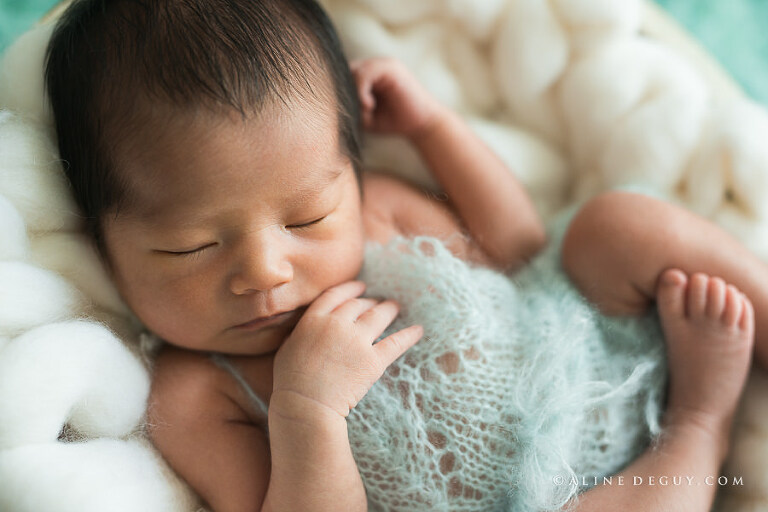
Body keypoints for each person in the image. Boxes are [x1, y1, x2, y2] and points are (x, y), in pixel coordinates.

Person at [44, 0, 760, 510]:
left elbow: (519, 251)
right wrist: (307, 412)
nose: (265, 270)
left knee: (618, 224)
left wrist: (433, 130)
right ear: (98, 240)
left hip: (580, 344)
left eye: (308, 217)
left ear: (350, 175)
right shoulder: (196, 392)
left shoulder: (380, 210)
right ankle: (703, 425)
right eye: (191, 246)